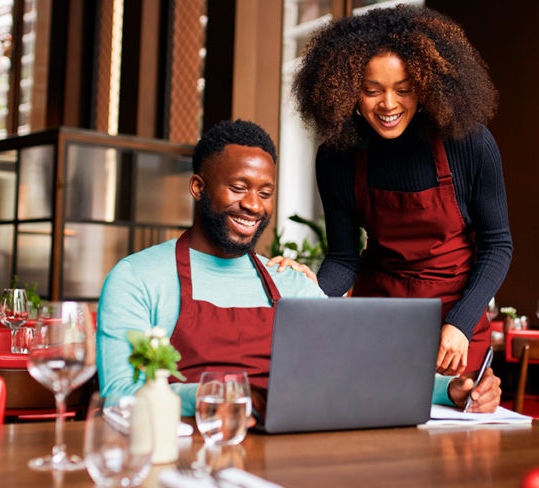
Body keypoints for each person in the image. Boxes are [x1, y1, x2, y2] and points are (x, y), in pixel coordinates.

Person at [97, 119, 501, 417]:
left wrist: (453, 391)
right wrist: (222, 395)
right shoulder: (137, 278)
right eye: (238, 188)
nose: (254, 205)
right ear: (198, 187)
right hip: (183, 451)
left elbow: (359, 372)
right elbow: (118, 394)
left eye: (265, 192)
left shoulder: (290, 283)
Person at [291, 5, 514, 377]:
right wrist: (306, 292)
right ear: (348, 91)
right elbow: (344, 259)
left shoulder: (469, 143)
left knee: (454, 430)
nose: (389, 105)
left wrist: (460, 323)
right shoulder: (337, 157)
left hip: (454, 320)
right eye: (371, 90)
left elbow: (497, 245)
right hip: (379, 315)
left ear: (425, 88)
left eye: (404, 89)